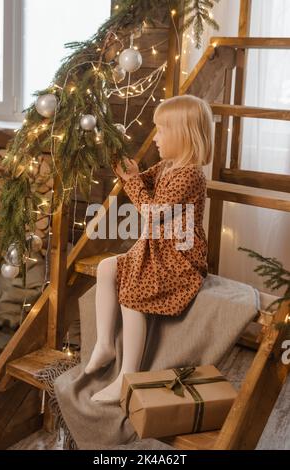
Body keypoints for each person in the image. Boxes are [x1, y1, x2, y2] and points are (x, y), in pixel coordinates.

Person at [85, 94, 214, 402]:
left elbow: (153, 212)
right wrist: (131, 175)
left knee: (133, 288)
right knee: (106, 268)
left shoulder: (190, 174)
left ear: (183, 135)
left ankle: (127, 376)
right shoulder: (169, 165)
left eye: (161, 130)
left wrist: (133, 186)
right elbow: (143, 181)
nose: (155, 137)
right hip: (159, 249)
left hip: (180, 257)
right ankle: (104, 344)